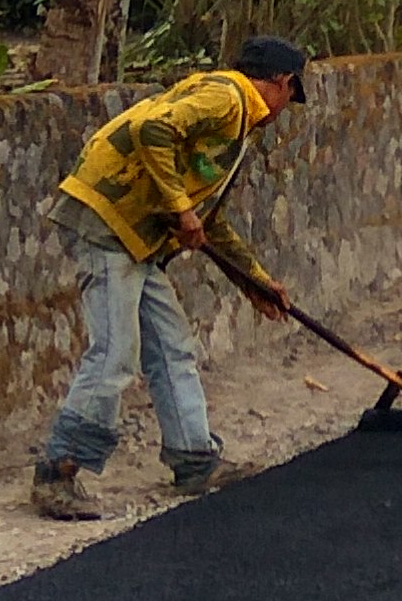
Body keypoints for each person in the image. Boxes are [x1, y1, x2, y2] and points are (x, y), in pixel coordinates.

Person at [31, 37, 306, 520]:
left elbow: (209, 219)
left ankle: (194, 459)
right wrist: (180, 208)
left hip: (138, 235)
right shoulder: (228, 96)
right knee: (115, 351)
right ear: (282, 83)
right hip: (108, 219)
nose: (284, 109)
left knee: (171, 344)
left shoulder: (236, 125)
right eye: (290, 94)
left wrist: (257, 282)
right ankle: (59, 471)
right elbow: (151, 129)